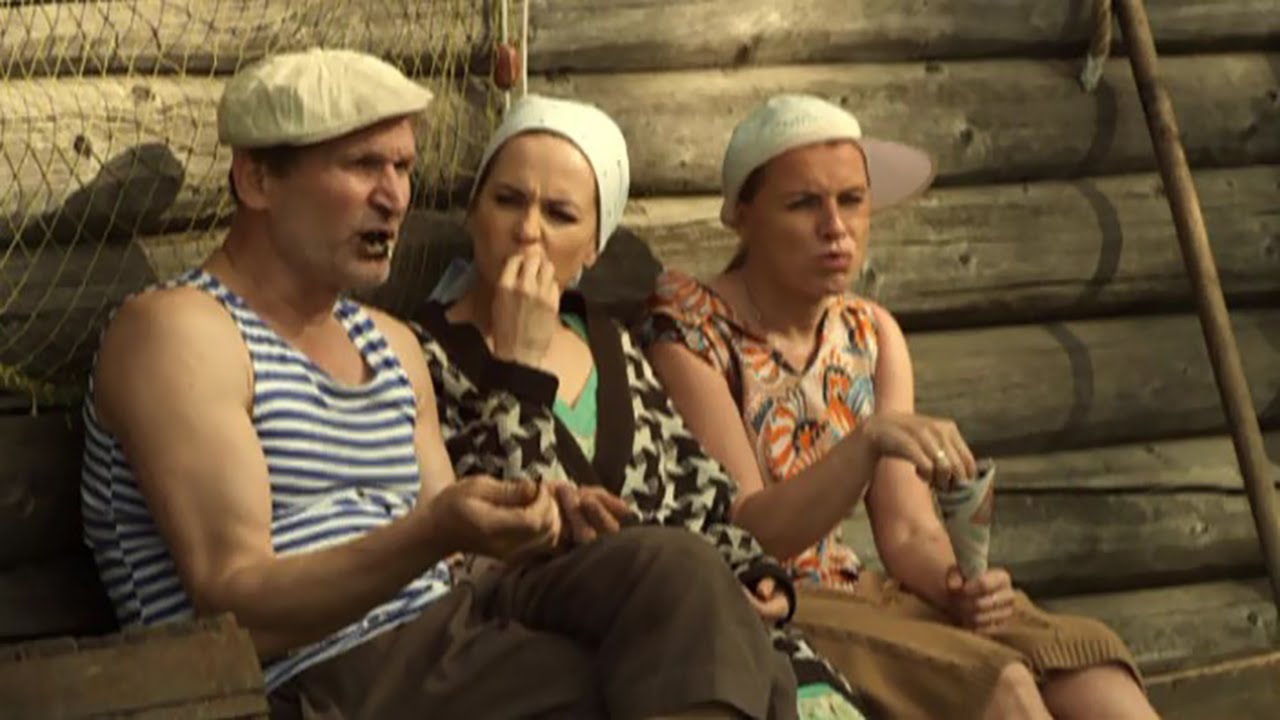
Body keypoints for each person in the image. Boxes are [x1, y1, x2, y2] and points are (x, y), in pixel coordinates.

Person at [80, 48, 797, 720]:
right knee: (638, 678)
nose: (393, 197)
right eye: (363, 165)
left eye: (402, 167)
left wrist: (537, 521)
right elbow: (236, 604)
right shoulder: (181, 332)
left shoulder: (388, 343)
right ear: (257, 180)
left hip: (445, 629)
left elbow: (462, 564)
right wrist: (432, 532)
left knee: (682, 574)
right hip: (310, 677)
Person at [640, 94, 1160, 720]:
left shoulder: (869, 332)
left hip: (860, 590)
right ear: (743, 218)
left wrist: (957, 587)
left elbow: (908, 529)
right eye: (803, 203)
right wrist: (866, 444)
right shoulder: (690, 331)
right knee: (1001, 685)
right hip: (770, 601)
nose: (835, 227)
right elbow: (750, 531)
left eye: (852, 200)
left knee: (1089, 665)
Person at [417, 93, 861, 720]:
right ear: (473, 212)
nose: (528, 230)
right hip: (550, 640)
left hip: (695, 622)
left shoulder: (611, 346)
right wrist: (517, 367)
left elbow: (699, 493)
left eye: (560, 214)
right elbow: (516, 529)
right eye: (508, 200)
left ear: (593, 247)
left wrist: (758, 573)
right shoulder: (426, 356)